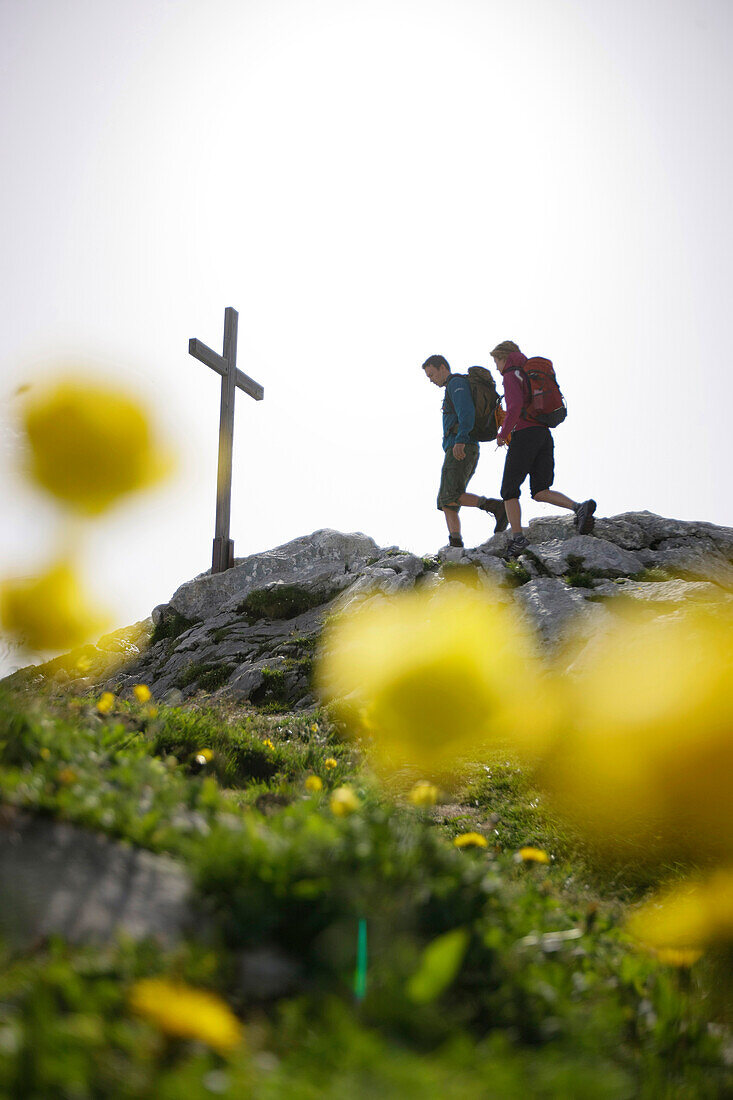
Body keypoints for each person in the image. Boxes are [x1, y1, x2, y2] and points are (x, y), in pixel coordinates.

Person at [491, 340, 596, 558]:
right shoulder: (530, 371)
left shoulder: (511, 373)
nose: (496, 367)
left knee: (508, 490)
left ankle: (518, 538)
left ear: (503, 357)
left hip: (524, 434)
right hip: (543, 435)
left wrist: (503, 434)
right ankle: (578, 507)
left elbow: (515, 407)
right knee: (540, 490)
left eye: (496, 361)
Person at [422, 354, 507, 549]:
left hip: (461, 446)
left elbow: (466, 412)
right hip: (462, 446)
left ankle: (495, 507)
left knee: (448, 496)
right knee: (448, 499)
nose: (431, 380)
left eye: (432, 374)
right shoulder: (453, 386)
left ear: (443, 367)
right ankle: (456, 542)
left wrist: (459, 441)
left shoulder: (456, 383)